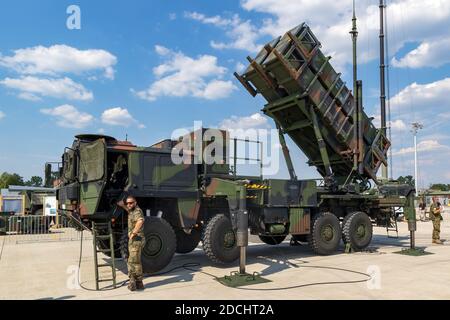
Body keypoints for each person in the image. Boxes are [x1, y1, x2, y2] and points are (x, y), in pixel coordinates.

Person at [118, 195, 145, 291]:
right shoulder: (132, 210)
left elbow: (140, 221)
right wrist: (122, 205)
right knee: (133, 260)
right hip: (133, 240)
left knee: (133, 261)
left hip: (136, 239)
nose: (129, 205)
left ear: (135, 203)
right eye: (127, 203)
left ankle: (135, 281)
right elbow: (128, 209)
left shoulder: (137, 211)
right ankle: (138, 283)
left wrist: (133, 232)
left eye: (131, 203)